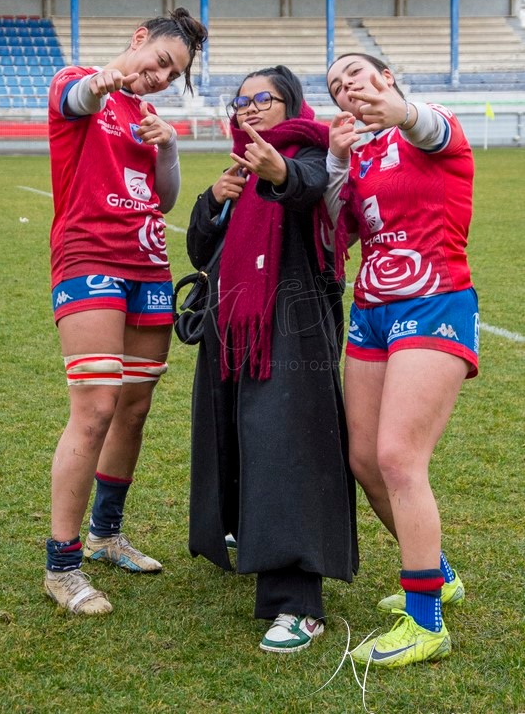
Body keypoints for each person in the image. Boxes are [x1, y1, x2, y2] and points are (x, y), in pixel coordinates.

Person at [185, 65, 359, 653]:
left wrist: (276, 170)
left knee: (288, 446)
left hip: (292, 327)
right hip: (232, 327)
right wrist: (213, 201)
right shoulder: (238, 169)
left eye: (264, 98)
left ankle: (297, 602)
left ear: (291, 105)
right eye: (242, 100)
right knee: (237, 434)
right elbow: (200, 247)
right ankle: (244, 533)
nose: (250, 108)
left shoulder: (311, 151)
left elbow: (311, 186)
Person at [45, 8, 207, 614]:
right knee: (95, 409)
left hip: (150, 266)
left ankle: (105, 535)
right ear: (139, 38)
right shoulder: (77, 79)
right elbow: (78, 99)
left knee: (134, 409)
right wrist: (106, 81)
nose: (162, 77)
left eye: (174, 74)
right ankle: (61, 566)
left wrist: (167, 151)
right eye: (161, 61)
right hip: (91, 260)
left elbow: (163, 198)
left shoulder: (148, 116)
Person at [325, 53, 478, 667]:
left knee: (398, 457)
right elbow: (336, 233)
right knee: (364, 458)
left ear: (387, 76)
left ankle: (426, 623)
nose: (348, 88)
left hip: (435, 299)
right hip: (371, 311)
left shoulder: (431, 121)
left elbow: (431, 130)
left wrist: (402, 112)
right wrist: (336, 162)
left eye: (357, 75)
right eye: (337, 86)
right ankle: (437, 573)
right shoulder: (360, 157)